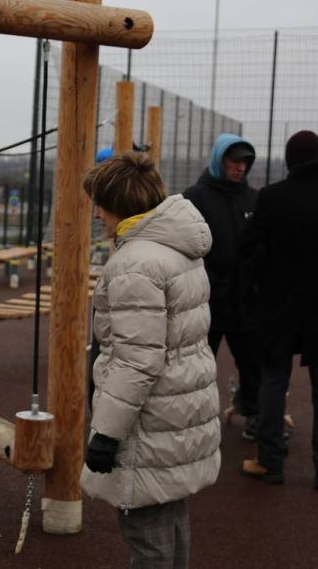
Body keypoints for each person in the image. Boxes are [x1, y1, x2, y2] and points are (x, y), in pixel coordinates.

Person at [81, 152, 220, 569]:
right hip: (178, 406)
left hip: (150, 418)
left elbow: (135, 360)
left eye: (100, 204)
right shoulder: (176, 248)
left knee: (146, 532)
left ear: (118, 203)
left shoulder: (135, 263)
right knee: (170, 515)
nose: (97, 214)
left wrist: (106, 433)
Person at [239, 130, 318, 491]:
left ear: (290, 161)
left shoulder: (272, 197)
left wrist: (261, 284)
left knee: (274, 379)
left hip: (280, 303)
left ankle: (270, 462)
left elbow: (250, 248)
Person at [183, 133, 262, 438]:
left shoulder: (253, 199)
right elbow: (188, 247)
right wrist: (212, 283)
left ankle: (254, 415)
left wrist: (251, 283)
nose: (241, 167)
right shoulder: (195, 197)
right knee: (199, 366)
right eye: (235, 160)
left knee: (252, 363)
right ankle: (192, 420)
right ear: (219, 159)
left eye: (246, 162)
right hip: (208, 299)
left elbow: (260, 246)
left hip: (244, 301)